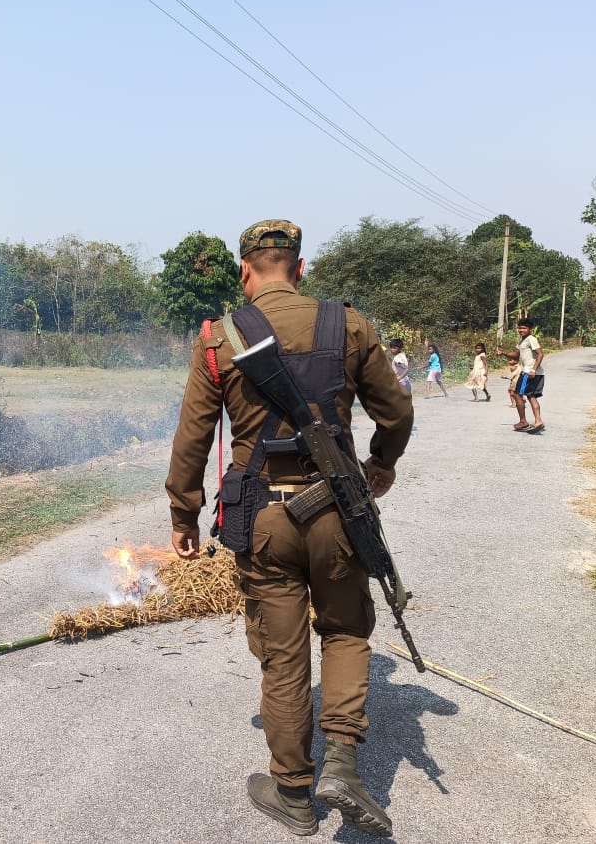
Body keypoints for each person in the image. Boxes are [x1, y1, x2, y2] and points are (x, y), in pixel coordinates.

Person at [165, 220, 413, 838]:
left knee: (282, 657)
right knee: (347, 629)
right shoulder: (348, 324)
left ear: (245, 271)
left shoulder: (218, 339)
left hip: (263, 518)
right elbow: (397, 410)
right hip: (338, 513)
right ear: (300, 268)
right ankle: (345, 766)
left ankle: (294, 791)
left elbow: (193, 439)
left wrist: (183, 514)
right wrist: (381, 463)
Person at [512, 318, 546, 433]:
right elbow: (516, 355)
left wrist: (533, 370)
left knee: (517, 394)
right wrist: (503, 353)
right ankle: (538, 421)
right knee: (531, 396)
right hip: (533, 373)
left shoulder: (531, 339)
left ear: (530, 329)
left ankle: (523, 422)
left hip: (529, 373)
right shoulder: (522, 341)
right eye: (520, 328)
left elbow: (541, 354)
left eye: (524, 328)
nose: (521, 330)